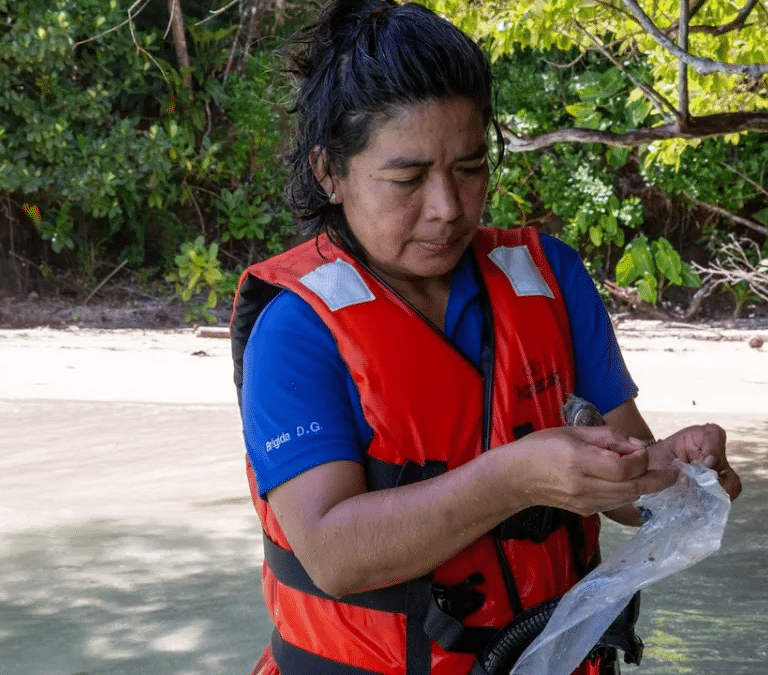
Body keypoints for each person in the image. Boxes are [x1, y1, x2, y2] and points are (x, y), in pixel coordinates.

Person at [230, 1, 742, 674]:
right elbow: (332, 554)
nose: (447, 206)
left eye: (470, 168)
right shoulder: (296, 328)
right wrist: (513, 477)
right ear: (330, 172)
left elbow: (624, 480)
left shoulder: (549, 276)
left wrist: (674, 471)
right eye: (408, 178)